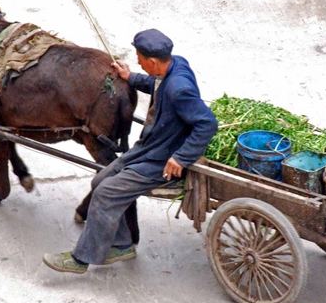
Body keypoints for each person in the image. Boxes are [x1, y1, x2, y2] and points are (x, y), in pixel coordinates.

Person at [43, 28, 218, 274]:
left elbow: (207, 123)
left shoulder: (179, 89)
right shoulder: (175, 65)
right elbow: (156, 83)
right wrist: (130, 76)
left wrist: (181, 157)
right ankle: (123, 244)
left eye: (140, 58)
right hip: (148, 148)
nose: (137, 60)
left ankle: (81, 259)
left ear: (154, 61)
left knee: (105, 193)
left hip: (161, 161)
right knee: (101, 180)